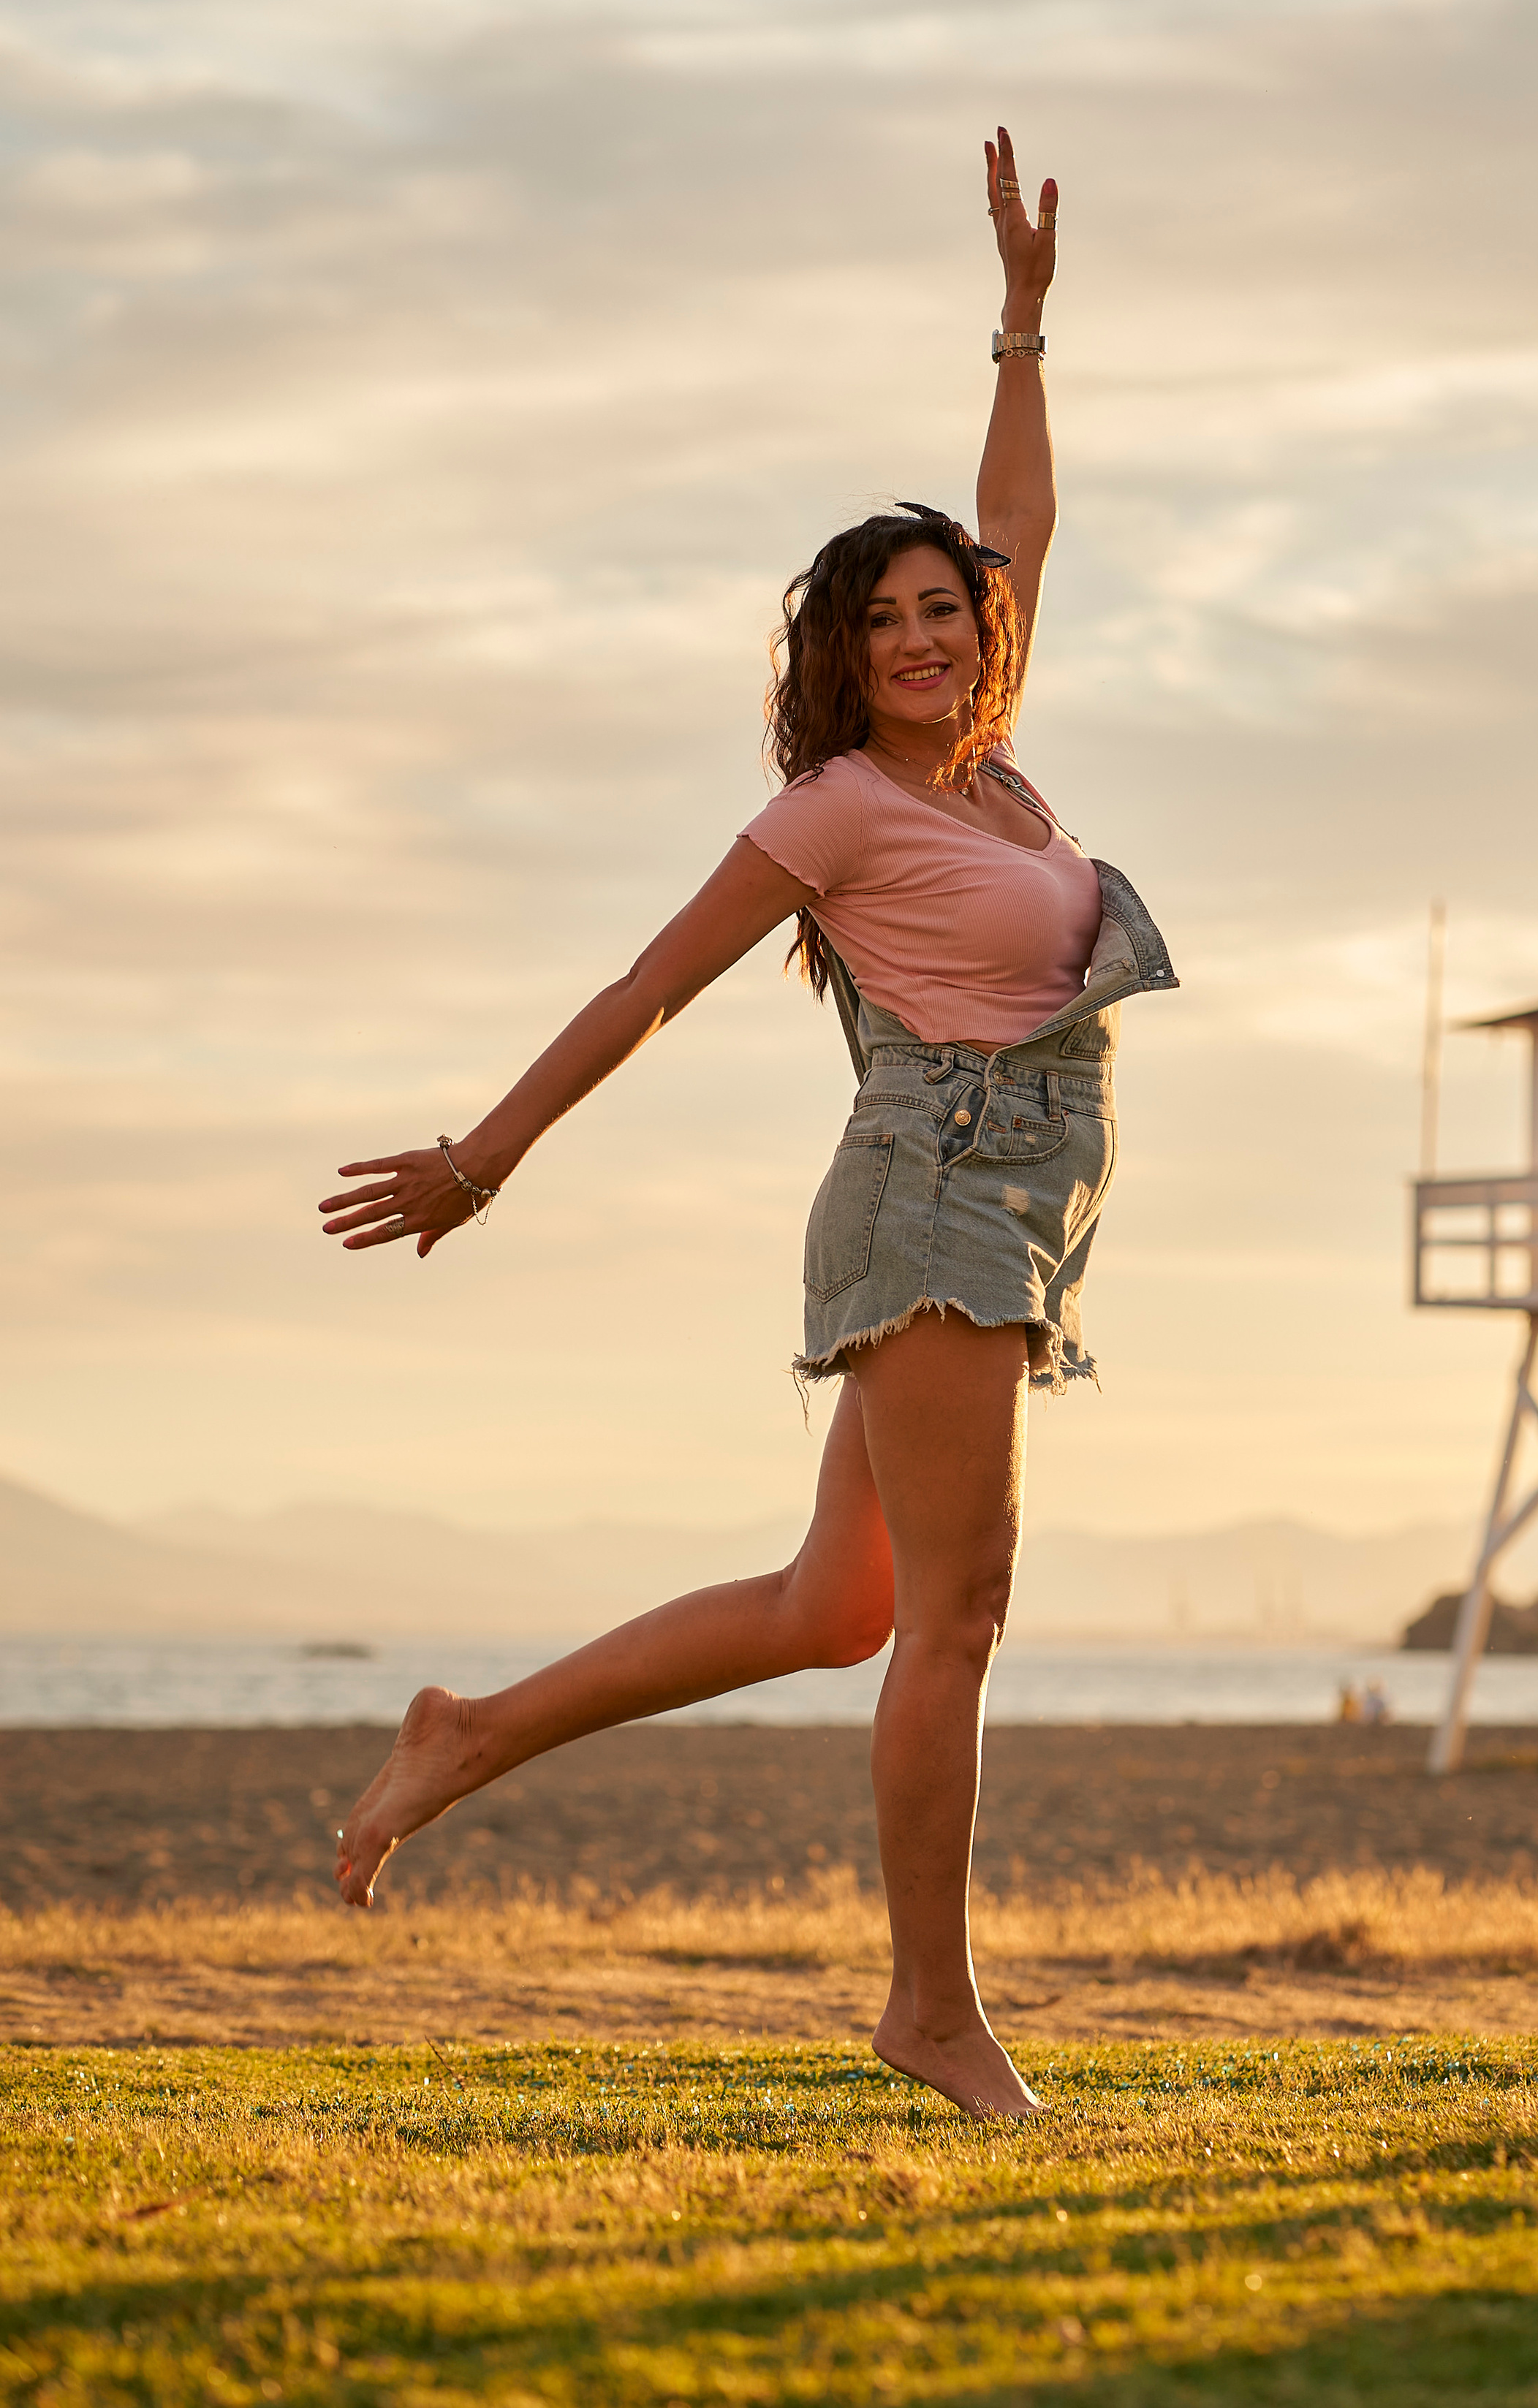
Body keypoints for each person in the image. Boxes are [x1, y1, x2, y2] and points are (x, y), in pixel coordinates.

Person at [316, 129, 1177, 2119]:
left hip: (1001, 1210)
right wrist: (485, 1156)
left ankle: (470, 1732)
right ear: (841, 658)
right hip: (934, 1202)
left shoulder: (998, 782)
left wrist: (1026, 325)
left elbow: (1018, 512)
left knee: (839, 1609)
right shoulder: (836, 815)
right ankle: (931, 2009)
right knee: (951, 1617)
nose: (924, 635)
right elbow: (647, 986)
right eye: (882, 622)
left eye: (943, 608)